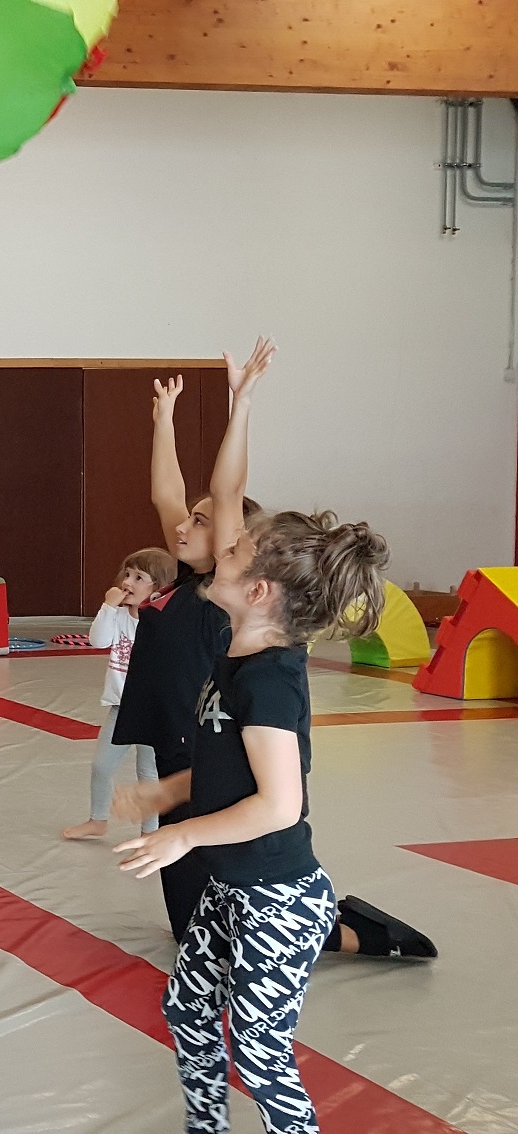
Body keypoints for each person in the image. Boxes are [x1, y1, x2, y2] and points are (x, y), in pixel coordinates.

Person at [113, 339, 399, 1134]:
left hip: (275, 897)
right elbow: (222, 768)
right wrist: (169, 794)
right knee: (187, 1011)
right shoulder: (232, 662)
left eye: (231, 546)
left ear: (258, 588)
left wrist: (182, 837)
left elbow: (279, 805)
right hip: (230, 888)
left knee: (262, 1049)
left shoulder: (271, 678)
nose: (216, 541)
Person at [115, 358, 433, 956]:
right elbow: (165, 492)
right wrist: (163, 418)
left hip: (206, 741)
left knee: (222, 920)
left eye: (207, 523)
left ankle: (345, 933)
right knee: (196, 927)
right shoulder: (194, 582)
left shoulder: (241, 608)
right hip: (185, 743)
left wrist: (243, 405)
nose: (185, 525)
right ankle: (297, 930)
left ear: (253, 573)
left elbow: (228, 486)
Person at [62, 548, 176, 842]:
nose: (128, 582)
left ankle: (150, 832)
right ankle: (97, 820)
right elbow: (98, 640)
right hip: (120, 706)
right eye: (127, 574)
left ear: (158, 587)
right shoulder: (121, 616)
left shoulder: (162, 621)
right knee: (101, 765)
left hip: (154, 709)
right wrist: (108, 607)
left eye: (139, 578)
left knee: (148, 772)